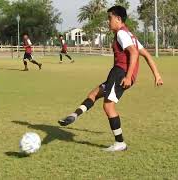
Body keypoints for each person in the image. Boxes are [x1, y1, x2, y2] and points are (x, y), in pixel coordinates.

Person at [58, 6, 163, 152]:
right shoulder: (129, 34)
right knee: (94, 94)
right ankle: (74, 115)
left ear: (118, 19)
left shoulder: (121, 33)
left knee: (108, 106)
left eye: (110, 18)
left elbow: (134, 54)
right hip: (117, 73)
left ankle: (120, 143)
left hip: (120, 74)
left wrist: (128, 76)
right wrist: (157, 75)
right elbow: (146, 54)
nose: (108, 21)